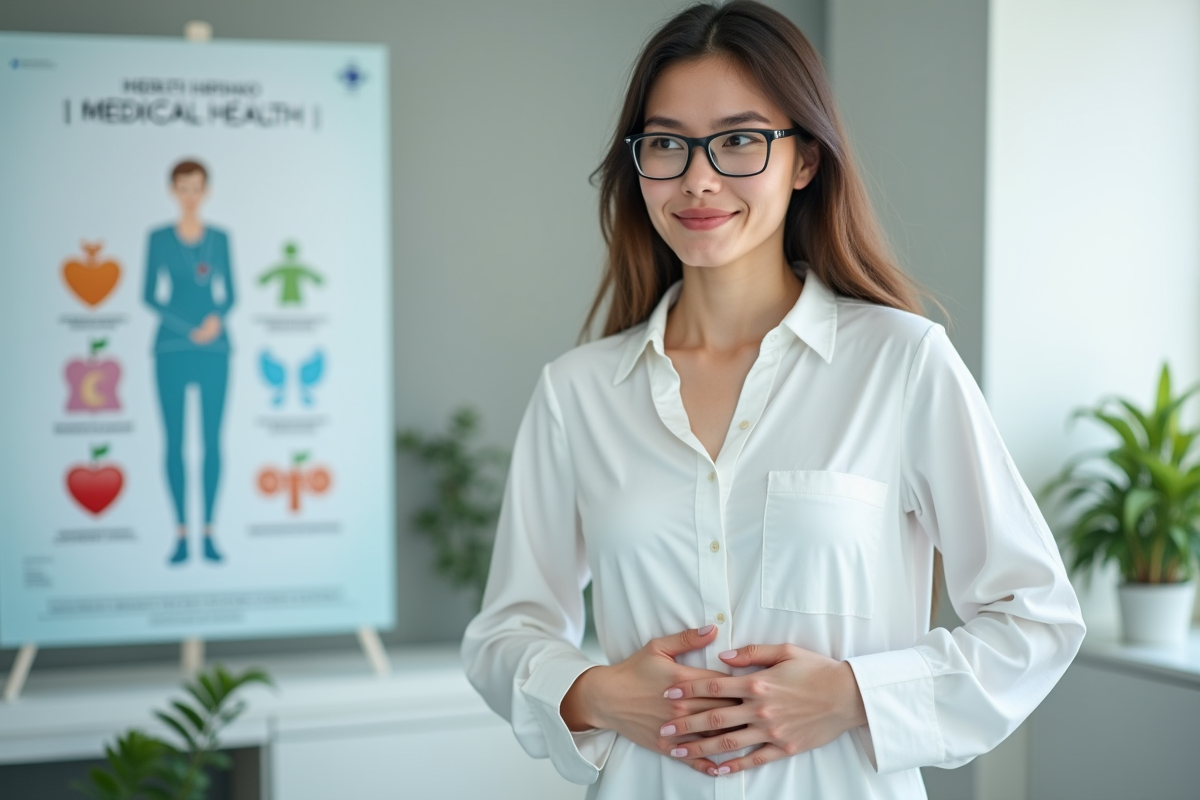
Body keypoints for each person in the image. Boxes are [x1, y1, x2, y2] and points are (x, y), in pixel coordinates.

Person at [461, 3, 1085, 798]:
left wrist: (852, 696)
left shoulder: (902, 363)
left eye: (739, 140)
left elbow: (1037, 617)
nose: (698, 178)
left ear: (805, 160)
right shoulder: (577, 393)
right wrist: (597, 694)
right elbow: (504, 633)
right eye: (666, 144)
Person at [143, 159, 235, 565]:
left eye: (197, 187)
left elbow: (229, 292)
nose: (190, 196)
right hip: (172, 348)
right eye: (183, 187)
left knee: (213, 441)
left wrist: (216, 319)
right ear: (173, 191)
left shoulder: (220, 239)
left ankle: (209, 532)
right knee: (175, 441)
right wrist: (186, 328)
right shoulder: (160, 239)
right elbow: (150, 294)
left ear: (207, 191)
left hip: (215, 349)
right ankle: (181, 533)